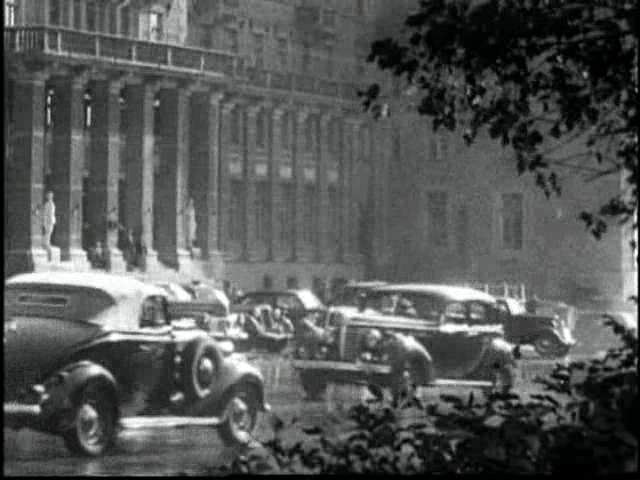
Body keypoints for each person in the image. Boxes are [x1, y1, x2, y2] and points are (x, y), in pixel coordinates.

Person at [42, 191, 56, 261]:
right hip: (47, 222)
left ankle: (49, 256)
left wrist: (49, 222)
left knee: (47, 239)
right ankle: (49, 256)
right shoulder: (47, 204)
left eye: (49, 195)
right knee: (46, 238)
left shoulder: (51, 204)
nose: (48, 197)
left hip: (49, 223)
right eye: (48, 195)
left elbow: (50, 214)